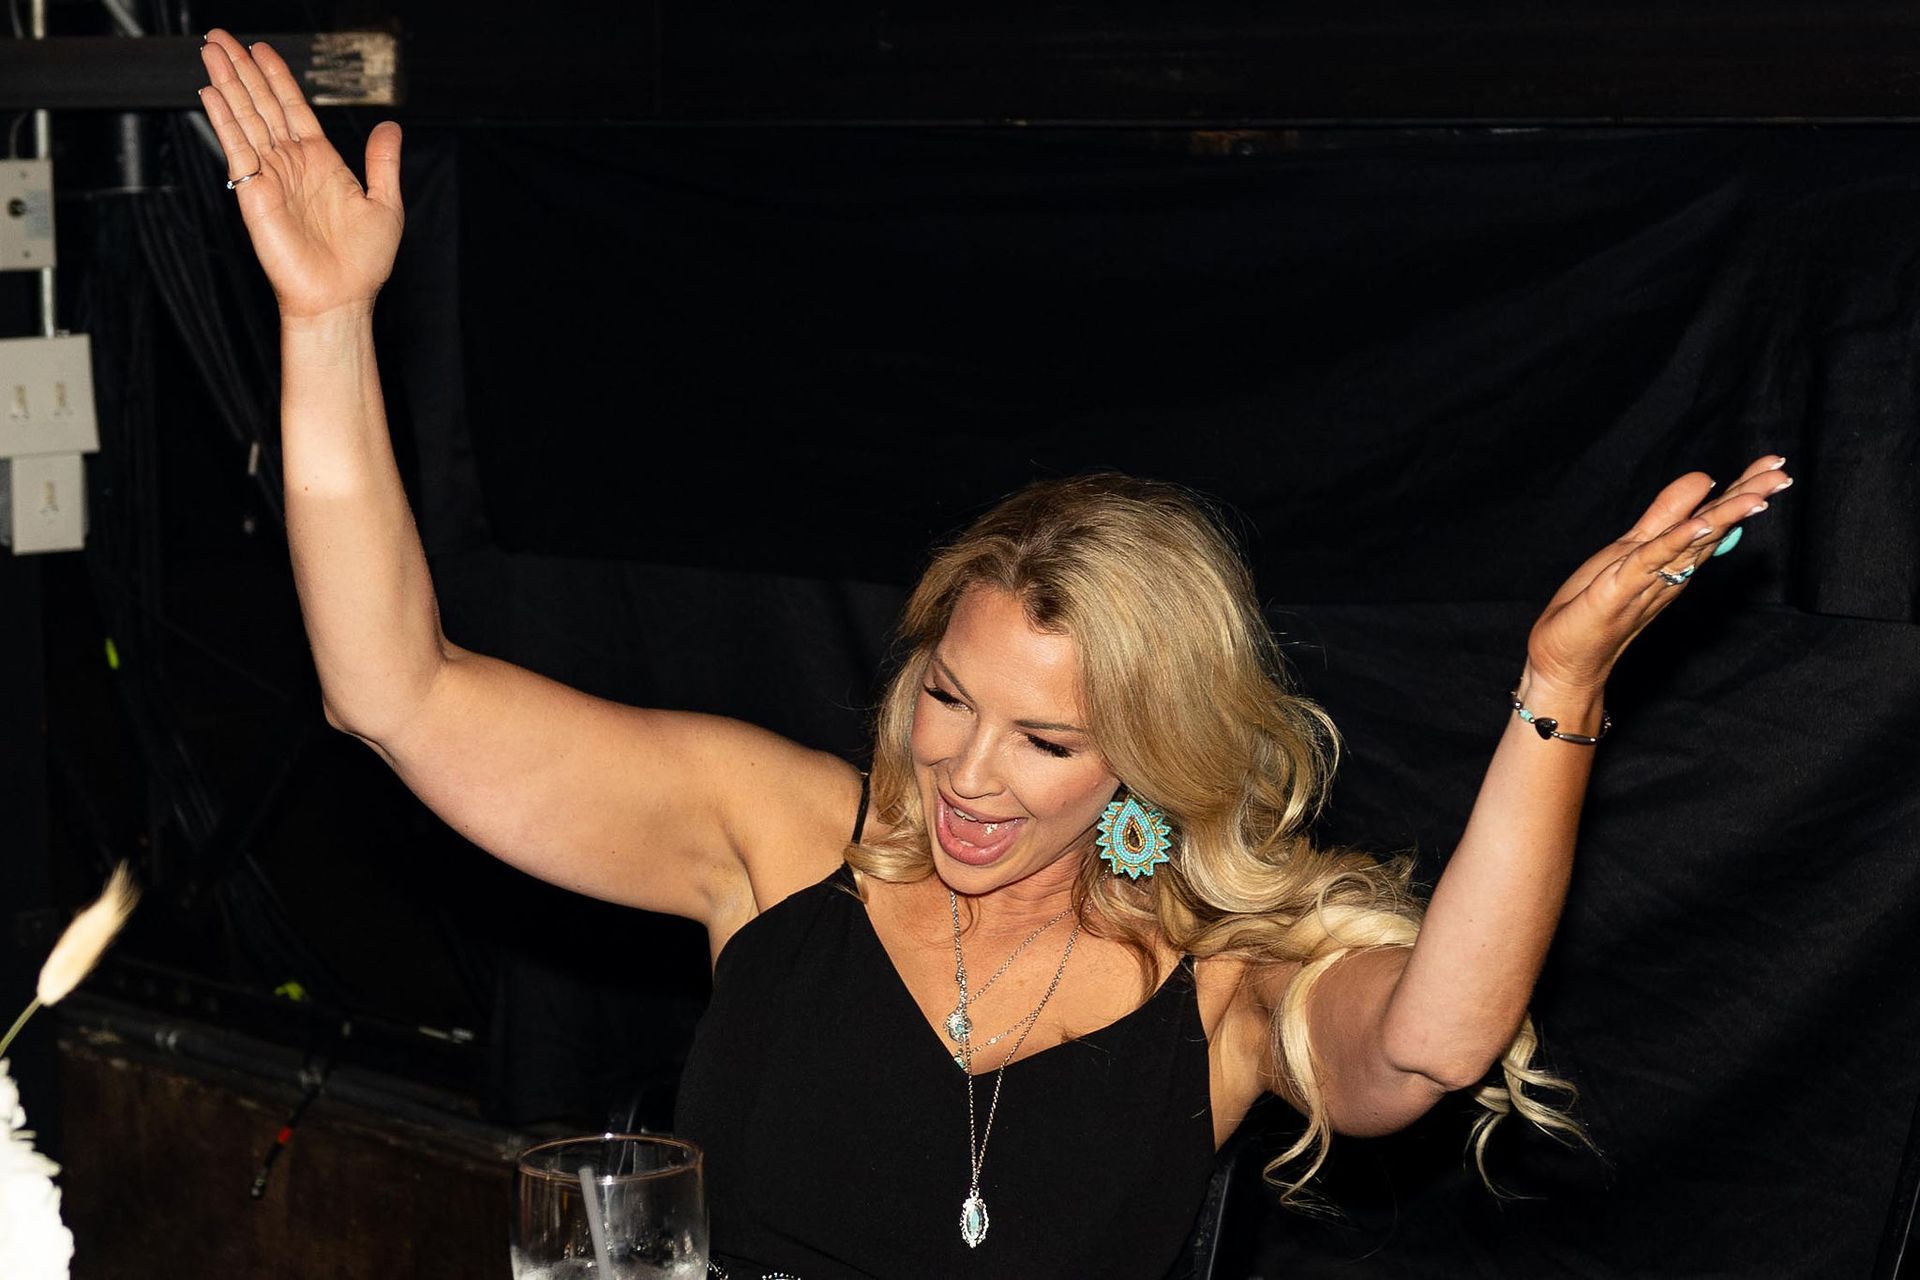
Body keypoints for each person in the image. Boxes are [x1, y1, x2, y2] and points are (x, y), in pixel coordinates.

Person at [197, 30, 1793, 1280]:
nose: (964, 769)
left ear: (1150, 762)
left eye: (1045, 741)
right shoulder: (777, 841)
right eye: (949, 699)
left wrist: (1558, 697)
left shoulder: (1223, 982)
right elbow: (390, 692)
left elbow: (1436, 1041)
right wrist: (328, 321)